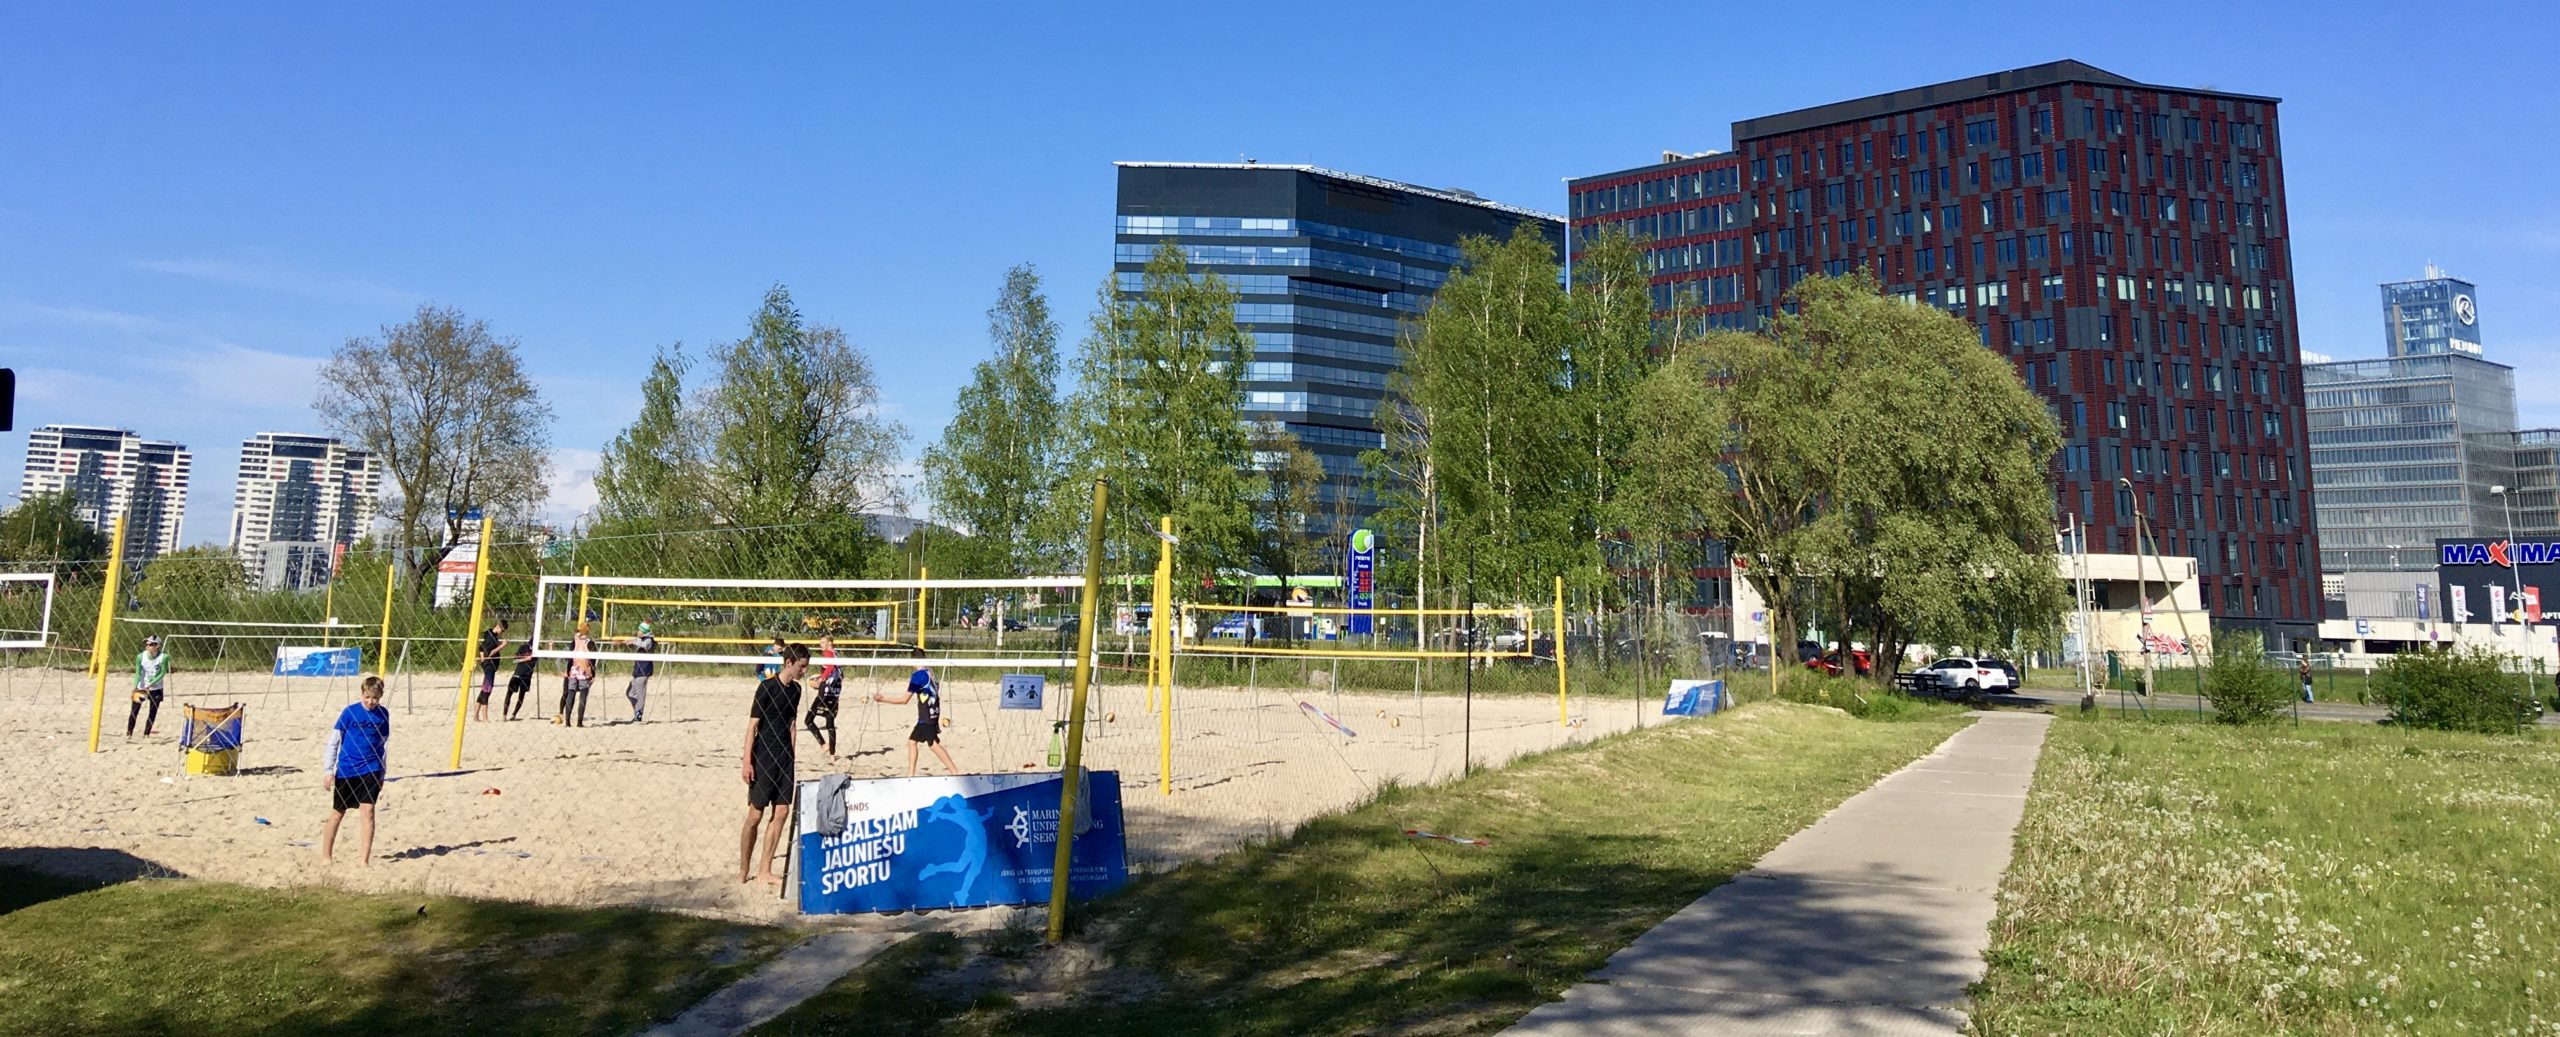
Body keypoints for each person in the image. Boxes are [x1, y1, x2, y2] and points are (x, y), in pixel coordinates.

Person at [740, 642, 809, 886]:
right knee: (756, 815)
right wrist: (747, 762)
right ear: (789, 662)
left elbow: (792, 725)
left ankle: (764, 870)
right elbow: (752, 727)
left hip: (784, 758)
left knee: (781, 812)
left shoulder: (797, 691)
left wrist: (792, 756)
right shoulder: (766, 688)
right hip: (763, 756)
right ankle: (744, 869)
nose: (804, 671)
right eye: (802, 666)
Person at [322, 676, 392, 866]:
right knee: (338, 812)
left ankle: (364, 860)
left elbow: (384, 746)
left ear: (380, 696)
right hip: (346, 770)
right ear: (362, 694)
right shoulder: (349, 713)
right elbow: (334, 742)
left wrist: (382, 774)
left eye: (375, 698)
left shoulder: (383, 715)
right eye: (367, 697)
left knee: (368, 811)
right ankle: (326, 856)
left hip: (371, 769)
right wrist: (328, 771)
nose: (371, 702)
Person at [871, 651, 958, 777]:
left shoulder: (918, 676)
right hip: (934, 712)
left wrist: (882, 699)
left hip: (926, 716)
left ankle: (953, 771)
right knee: (914, 742)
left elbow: (904, 700)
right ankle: (911, 774)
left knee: (932, 745)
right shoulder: (930, 673)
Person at [803, 634, 842, 758]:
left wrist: (821, 680)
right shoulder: (837, 654)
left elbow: (829, 667)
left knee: (808, 720)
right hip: (834, 692)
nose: (821, 645)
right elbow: (840, 674)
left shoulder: (828, 654)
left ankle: (823, 744)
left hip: (825, 693)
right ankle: (832, 753)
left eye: (823, 642)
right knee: (830, 723)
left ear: (830, 643)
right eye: (820, 642)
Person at [128, 635, 171, 738]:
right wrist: (136, 686)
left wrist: (152, 683)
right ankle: (129, 733)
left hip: (156, 688)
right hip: (142, 687)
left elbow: (162, 672)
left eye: (151, 644)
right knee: (134, 711)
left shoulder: (164, 657)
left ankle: (146, 734)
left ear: (157, 645)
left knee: (152, 712)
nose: (148, 646)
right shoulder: (140, 657)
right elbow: (138, 673)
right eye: (147, 644)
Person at [557, 624, 596, 727]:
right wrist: (593, 673)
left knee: (571, 694)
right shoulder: (590, 642)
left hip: (574, 669)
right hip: (584, 671)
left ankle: (568, 721)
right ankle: (579, 722)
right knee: (583, 696)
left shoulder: (575, 641)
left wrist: (568, 669)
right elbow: (593, 660)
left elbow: (570, 657)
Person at [473, 619, 508, 722]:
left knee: (484, 689)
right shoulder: (492, 637)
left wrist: (482, 659)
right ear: (497, 626)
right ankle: (485, 717)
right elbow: (491, 652)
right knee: (487, 690)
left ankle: (476, 715)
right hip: (489, 666)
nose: (501, 633)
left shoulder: (489, 634)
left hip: (488, 665)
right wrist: (502, 645)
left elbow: (481, 648)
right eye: (502, 631)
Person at [622, 622, 657, 722]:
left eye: (640, 630)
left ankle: (639, 714)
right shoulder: (641, 639)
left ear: (644, 631)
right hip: (637, 669)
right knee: (630, 692)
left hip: (644, 669)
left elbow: (645, 645)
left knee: (640, 693)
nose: (638, 631)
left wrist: (633, 642)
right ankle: (637, 710)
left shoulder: (649, 640)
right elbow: (636, 641)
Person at [503, 644, 537, 720]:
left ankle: (514, 714)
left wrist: (550, 646)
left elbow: (547, 657)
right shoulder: (523, 647)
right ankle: (504, 715)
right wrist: (526, 659)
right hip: (517, 674)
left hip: (527, 677)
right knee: (509, 693)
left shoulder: (537, 650)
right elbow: (514, 660)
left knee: (521, 696)